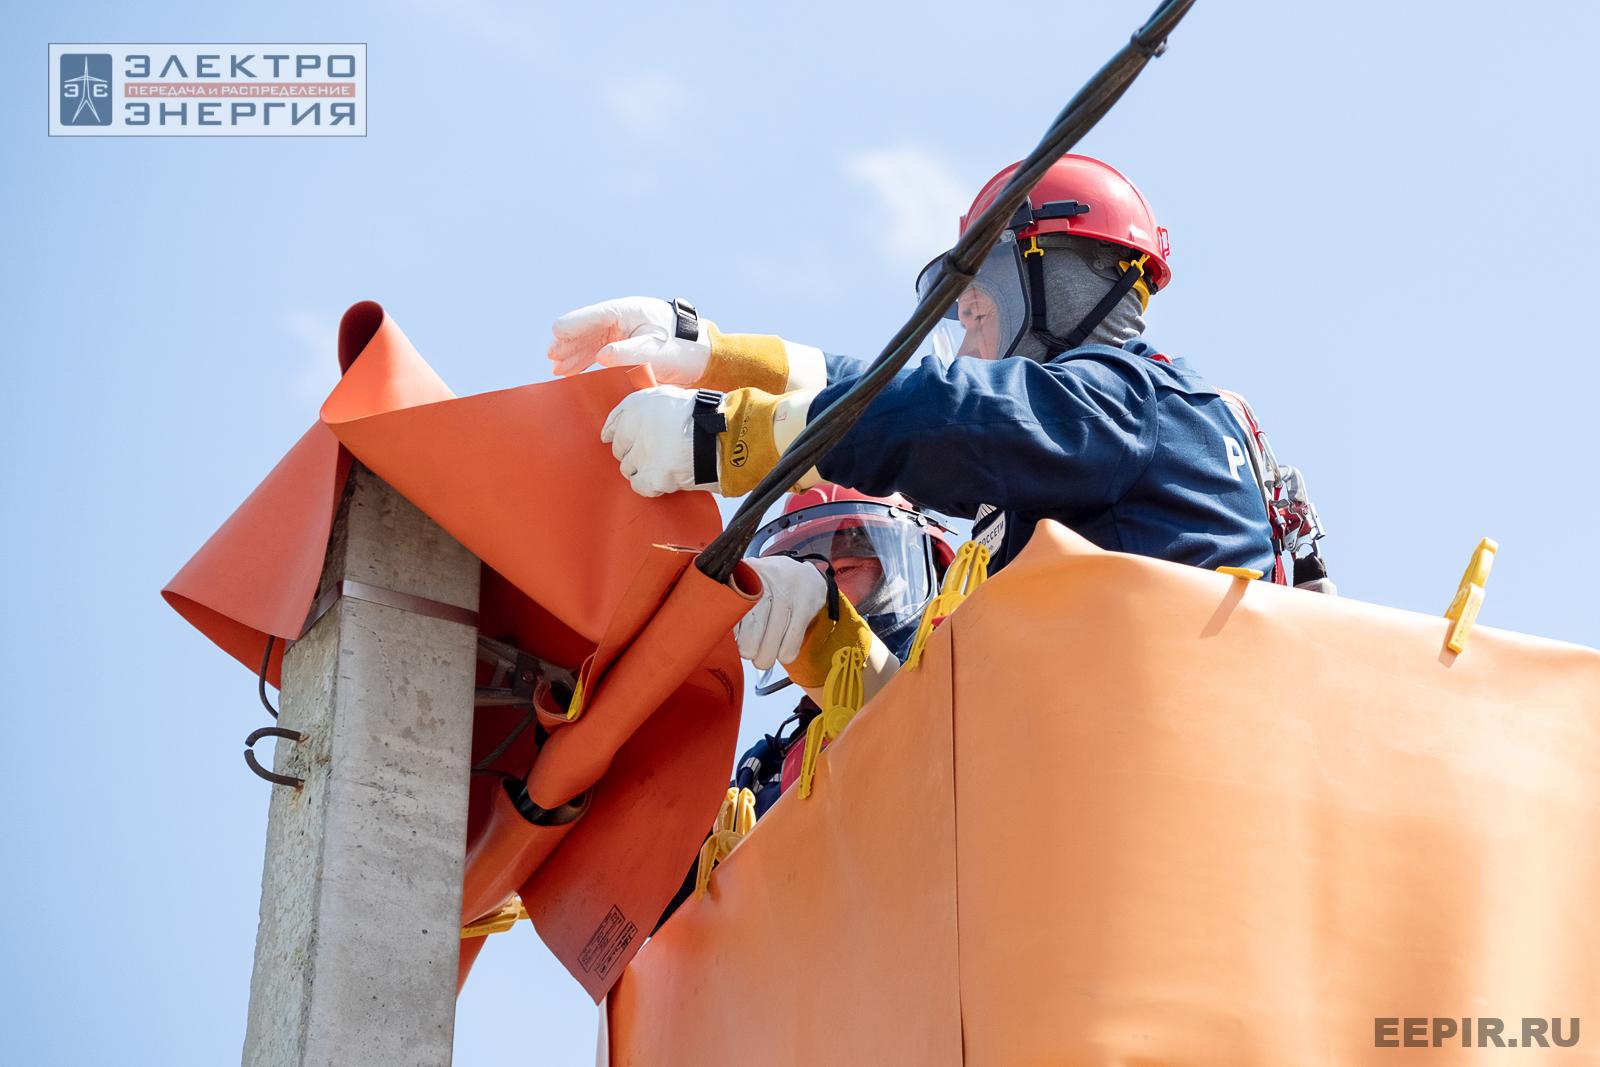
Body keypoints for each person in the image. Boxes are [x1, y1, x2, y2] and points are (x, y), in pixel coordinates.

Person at [549, 153, 1285, 585]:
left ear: (1060, 280)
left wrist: (728, 435)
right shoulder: (1087, 444)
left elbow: (942, 414)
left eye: (979, 296)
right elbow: (904, 396)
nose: (965, 326)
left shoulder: (1134, 404)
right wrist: (714, 353)